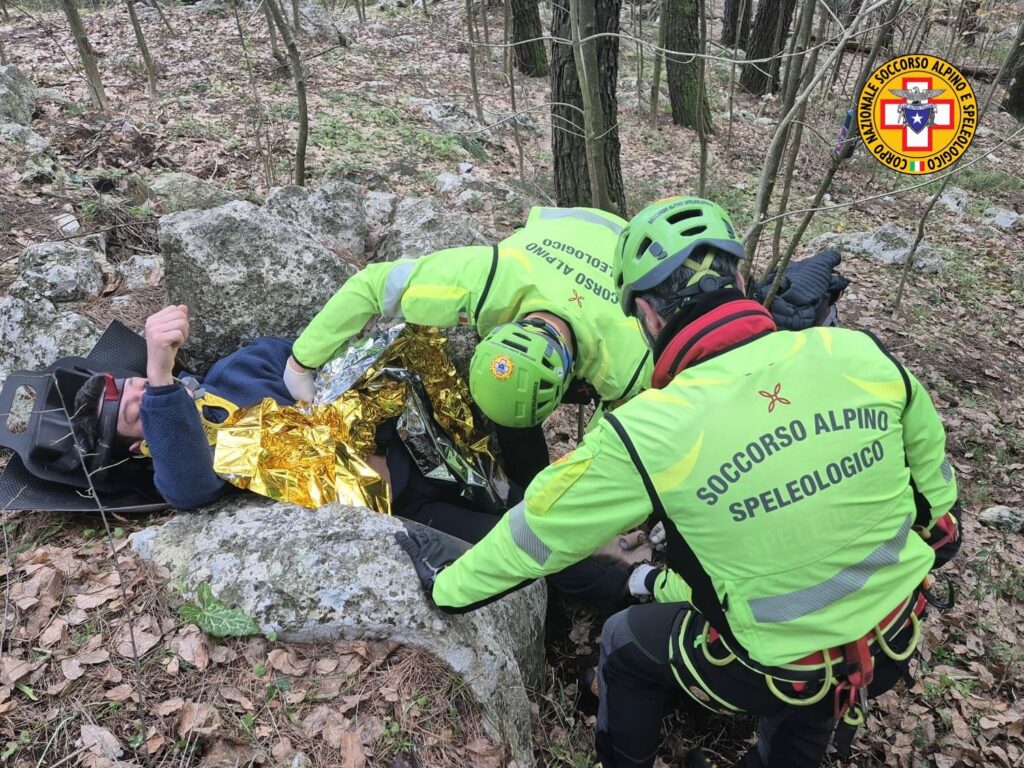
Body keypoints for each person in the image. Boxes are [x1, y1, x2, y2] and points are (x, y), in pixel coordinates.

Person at [395, 196, 963, 768]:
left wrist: (447, 587)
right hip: (894, 635)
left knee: (623, 643)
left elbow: (536, 533)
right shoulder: (857, 352)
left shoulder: (648, 428)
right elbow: (938, 503)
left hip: (775, 667)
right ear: (739, 276)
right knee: (803, 689)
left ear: (647, 315)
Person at [72, 305, 638, 605]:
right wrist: (162, 379)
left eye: (136, 387)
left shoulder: (237, 372)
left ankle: (626, 529)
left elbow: (322, 361)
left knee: (529, 500)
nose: (141, 395)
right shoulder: (195, 451)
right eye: (133, 412)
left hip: (429, 448)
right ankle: (633, 582)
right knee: (523, 556)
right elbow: (189, 488)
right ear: (141, 444)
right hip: (409, 507)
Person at [283, 205, 652, 487]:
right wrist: (301, 362)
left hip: (628, 246)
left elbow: (618, 453)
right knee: (511, 392)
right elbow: (374, 285)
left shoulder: (633, 366)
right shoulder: (489, 278)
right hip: (563, 232)